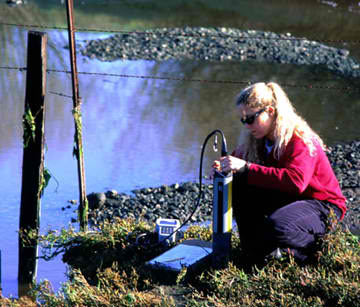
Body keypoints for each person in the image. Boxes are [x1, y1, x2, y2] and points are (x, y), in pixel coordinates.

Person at [211, 82, 346, 266]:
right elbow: (237, 160)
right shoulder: (260, 139)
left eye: (251, 119)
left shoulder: (300, 140)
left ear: (270, 111)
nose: (247, 126)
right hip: (294, 200)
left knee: (279, 226)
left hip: (323, 205)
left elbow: (296, 182)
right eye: (243, 120)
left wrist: (246, 167)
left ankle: (315, 252)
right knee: (238, 181)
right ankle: (254, 254)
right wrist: (223, 165)